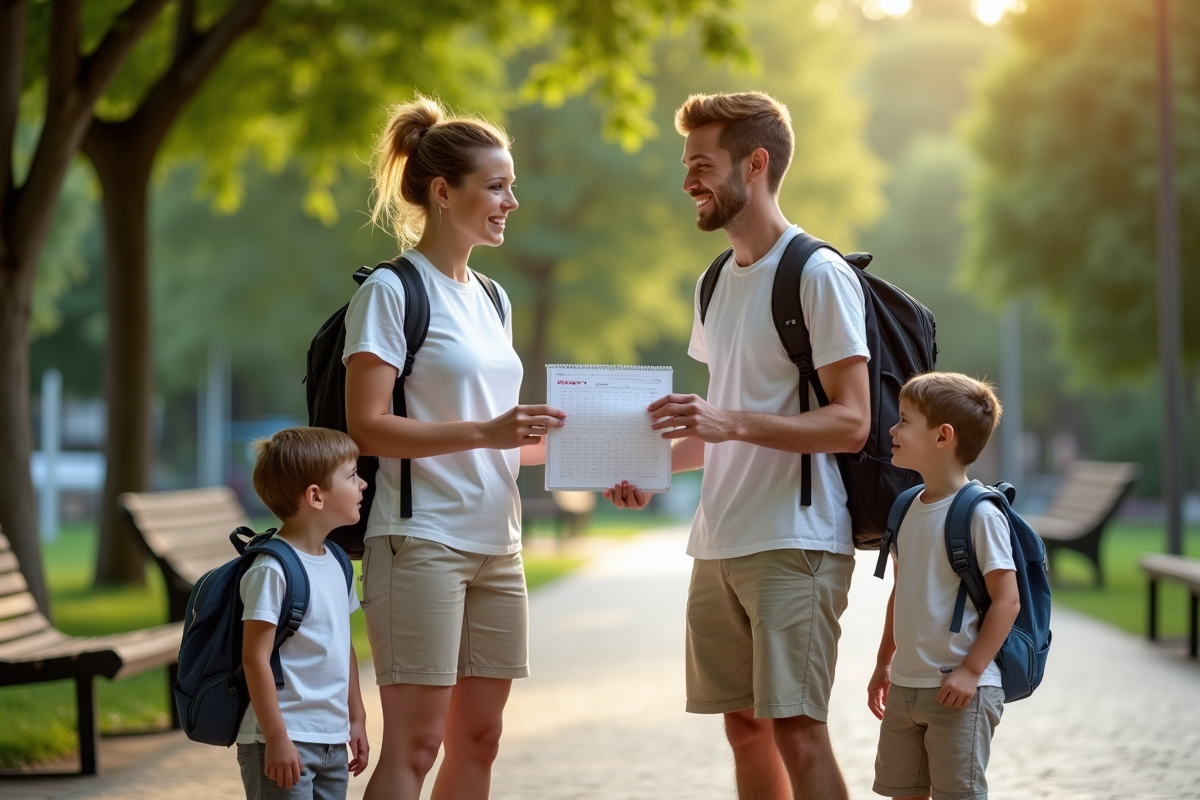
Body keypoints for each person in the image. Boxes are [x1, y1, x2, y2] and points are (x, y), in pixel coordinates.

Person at [605, 91, 871, 799]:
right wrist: (650, 468)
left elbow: (852, 422)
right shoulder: (716, 280)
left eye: (701, 163)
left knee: (798, 729)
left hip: (795, 540)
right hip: (720, 541)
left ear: (754, 165)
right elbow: (718, 432)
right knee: (745, 727)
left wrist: (732, 422)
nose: (687, 180)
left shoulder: (818, 274)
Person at [342, 95, 565, 800]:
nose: (512, 201)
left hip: (498, 545)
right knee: (417, 743)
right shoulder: (390, 292)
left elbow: (500, 444)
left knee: (480, 740)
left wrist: (610, 461)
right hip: (420, 542)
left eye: (511, 185)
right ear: (443, 192)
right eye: (496, 186)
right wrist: (486, 432)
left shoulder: (492, 298)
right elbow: (367, 427)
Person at [867, 372, 1018, 800]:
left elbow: (1007, 600)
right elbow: (902, 592)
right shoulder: (906, 507)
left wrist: (971, 672)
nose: (892, 430)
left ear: (942, 436)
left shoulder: (981, 515)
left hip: (960, 691)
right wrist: (885, 661)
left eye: (903, 420)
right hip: (907, 686)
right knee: (903, 791)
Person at [238, 427, 370, 800]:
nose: (362, 485)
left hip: (330, 737)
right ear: (315, 496)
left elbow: (343, 649)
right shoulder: (272, 569)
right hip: (284, 738)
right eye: (352, 476)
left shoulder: (338, 562)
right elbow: (255, 657)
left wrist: (355, 719)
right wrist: (277, 737)